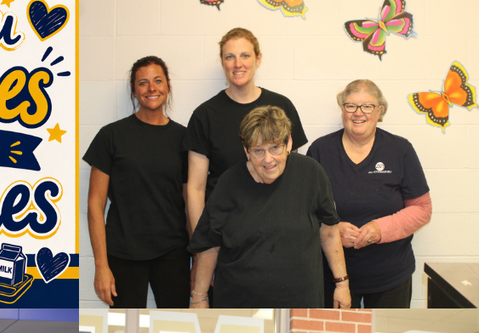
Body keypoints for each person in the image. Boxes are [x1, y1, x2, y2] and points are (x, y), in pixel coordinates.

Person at [188, 105, 350, 308]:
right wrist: (199, 297)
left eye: (275, 148)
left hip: (301, 303)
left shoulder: (311, 174)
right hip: (238, 304)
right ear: (246, 151)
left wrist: (342, 284)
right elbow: (211, 245)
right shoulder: (228, 183)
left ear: (289, 143)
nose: (268, 159)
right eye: (258, 150)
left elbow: (329, 234)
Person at [307, 79, 432, 307]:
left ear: (379, 110)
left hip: (391, 277)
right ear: (342, 109)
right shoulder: (320, 150)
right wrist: (333, 229)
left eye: (367, 106)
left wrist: (379, 229)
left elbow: (422, 209)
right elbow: (304, 212)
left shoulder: (400, 150)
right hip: (333, 278)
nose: (358, 113)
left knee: (387, 329)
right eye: (351, 106)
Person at [84, 55, 190, 307]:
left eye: (158, 81)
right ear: (133, 90)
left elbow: (190, 202)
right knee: (126, 330)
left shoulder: (184, 138)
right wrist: (101, 266)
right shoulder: (111, 136)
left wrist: (198, 258)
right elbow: (95, 205)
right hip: (124, 253)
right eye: (143, 83)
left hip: (173, 253)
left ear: (168, 86)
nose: (152, 88)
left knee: (176, 326)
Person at [185, 28, 308, 235]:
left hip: (277, 227)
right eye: (229, 57)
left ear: (258, 59)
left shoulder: (281, 106)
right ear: (222, 62)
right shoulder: (204, 116)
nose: (237, 64)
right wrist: (202, 242)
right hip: (225, 229)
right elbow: (195, 189)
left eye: (245, 56)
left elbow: (292, 175)